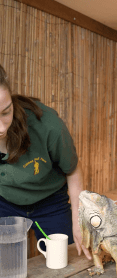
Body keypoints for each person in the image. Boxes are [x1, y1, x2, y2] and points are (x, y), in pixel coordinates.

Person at [0, 64, 91, 260]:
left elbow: (73, 170)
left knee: (66, 260)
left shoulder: (47, 124)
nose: (1, 128)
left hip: (50, 202)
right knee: (6, 264)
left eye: (6, 112)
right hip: (5, 202)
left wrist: (78, 221)